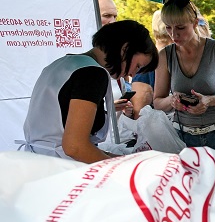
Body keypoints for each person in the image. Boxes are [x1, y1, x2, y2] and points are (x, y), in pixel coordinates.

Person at [21, 20, 157, 162]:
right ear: (125, 49)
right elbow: (75, 147)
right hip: (61, 168)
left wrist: (122, 160)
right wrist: (122, 167)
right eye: (137, 66)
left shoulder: (59, 65)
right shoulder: (92, 74)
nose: (133, 74)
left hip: (39, 162)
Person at [153, 0, 215, 152]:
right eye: (168, 27)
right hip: (183, 136)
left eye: (180, 27)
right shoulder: (165, 55)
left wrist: (209, 100)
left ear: (195, 23)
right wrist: (172, 100)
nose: (173, 34)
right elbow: (157, 102)